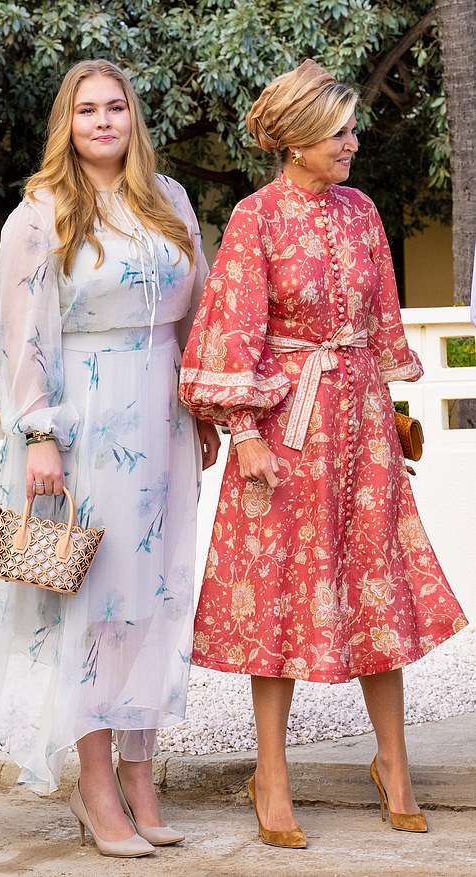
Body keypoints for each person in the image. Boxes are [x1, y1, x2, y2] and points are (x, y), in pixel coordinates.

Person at [0, 59, 219, 856]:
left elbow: (200, 311)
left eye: (116, 109)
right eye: (87, 110)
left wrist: (203, 405)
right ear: (67, 123)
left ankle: (142, 776)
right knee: (94, 607)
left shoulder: (170, 200)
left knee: (156, 598)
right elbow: (24, 334)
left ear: (134, 118)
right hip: (88, 424)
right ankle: (96, 787)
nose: (103, 122)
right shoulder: (42, 211)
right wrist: (40, 434)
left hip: (164, 425)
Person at [179, 59, 468, 850]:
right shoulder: (254, 219)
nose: (352, 142)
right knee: (277, 594)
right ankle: (271, 775)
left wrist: (390, 419)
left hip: (361, 427)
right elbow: (232, 329)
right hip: (283, 431)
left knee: (377, 582)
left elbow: (378, 325)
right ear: (298, 138)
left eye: (350, 128)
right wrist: (244, 437)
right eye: (338, 131)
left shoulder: (363, 211)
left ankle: (394, 764)